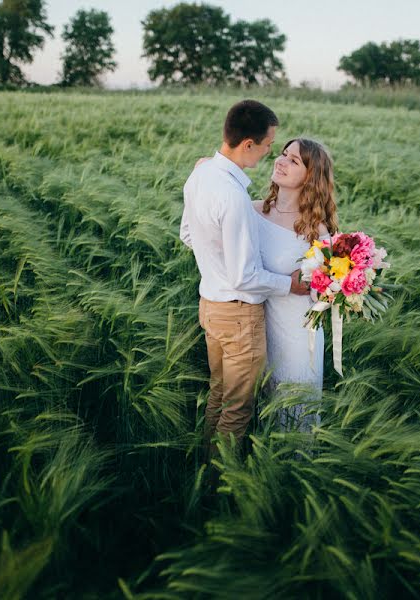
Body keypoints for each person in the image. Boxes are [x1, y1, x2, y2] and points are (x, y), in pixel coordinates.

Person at [179, 100, 309, 462]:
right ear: (247, 144)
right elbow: (244, 276)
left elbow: (188, 235)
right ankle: (219, 486)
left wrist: (216, 258)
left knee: (219, 396)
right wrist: (291, 285)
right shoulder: (234, 196)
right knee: (237, 410)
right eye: (269, 145)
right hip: (238, 316)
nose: (271, 153)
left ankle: (203, 471)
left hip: (210, 307)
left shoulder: (201, 175)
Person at [252, 138, 338, 432]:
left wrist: (337, 282)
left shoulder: (317, 231)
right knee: (258, 412)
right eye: (282, 154)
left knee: (293, 417)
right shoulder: (252, 211)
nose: (281, 161)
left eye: (294, 160)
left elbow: (324, 292)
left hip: (298, 337)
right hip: (255, 328)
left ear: (310, 176)